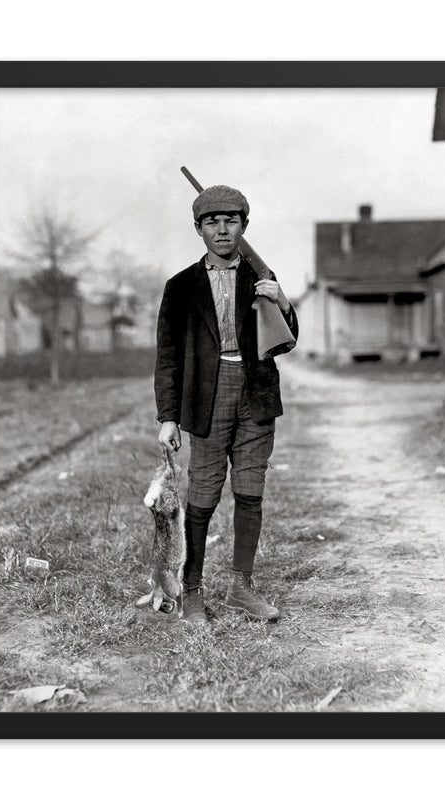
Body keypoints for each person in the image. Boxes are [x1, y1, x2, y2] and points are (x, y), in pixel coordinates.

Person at [154, 184, 298, 624]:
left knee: (250, 494)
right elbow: (168, 357)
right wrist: (168, 417)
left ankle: (241, 589)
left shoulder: (262, 277)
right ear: (198, 229)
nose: (222, 230)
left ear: (244, 226)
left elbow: (287, 340)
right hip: (207, 396)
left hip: (256, 396)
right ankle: (192, 591)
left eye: (231, 221)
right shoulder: (180, 287)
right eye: (211, 222)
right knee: (202, 497)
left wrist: (282, 301)